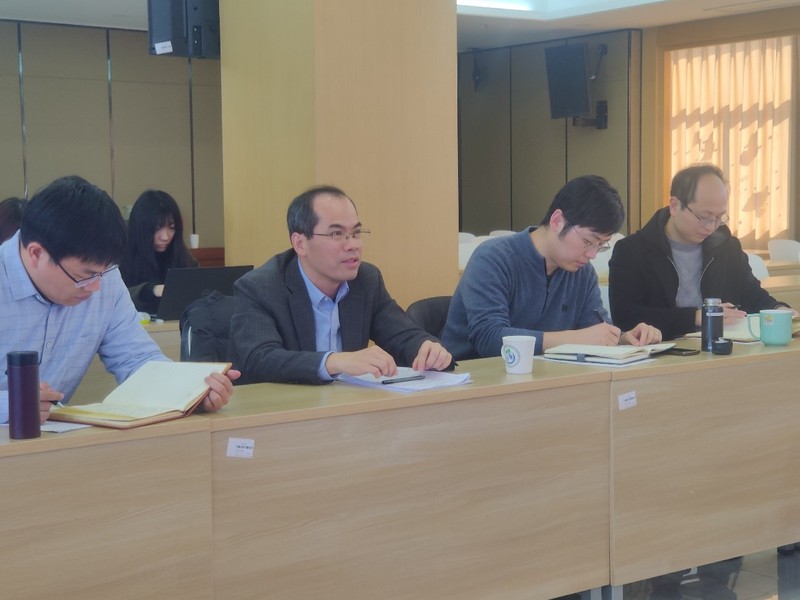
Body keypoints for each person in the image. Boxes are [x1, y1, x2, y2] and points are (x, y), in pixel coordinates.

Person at [0, 175, 238, 424]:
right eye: (85, 276)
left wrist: (191, 391)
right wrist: (10, 405)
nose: (96, 287)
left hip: (54, 437)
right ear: (36, 254)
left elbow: (137, 361)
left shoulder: (105, 279)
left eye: (103, 273)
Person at [229, 185, 453, 385]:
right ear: (300, 243)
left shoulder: (366, 280)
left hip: (346, 407)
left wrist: (426, 348)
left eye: (356, 233)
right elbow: (259, 359)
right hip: (282, 409)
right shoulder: (260, 288)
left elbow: (402, 335)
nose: (353, 245)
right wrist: (335, 362)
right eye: (337, 234)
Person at [441, 175, 661, 359]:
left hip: (545, 379)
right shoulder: (493, 258)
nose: (592, 254)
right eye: (588, 242)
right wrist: (576, 339)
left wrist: (622, 339)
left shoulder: (582, 272)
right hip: (476, 381)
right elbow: (489, 339)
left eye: (601, 246)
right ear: (557, 221)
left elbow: (593, 328)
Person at [609, 164, 793, 340]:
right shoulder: (632, 251)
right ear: (674, 206)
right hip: (660, 352)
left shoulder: (727, 247)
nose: (711, 227)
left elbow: (752, 295)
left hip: (721, 350)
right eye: (703, 217)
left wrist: (779, 309)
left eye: (719, 218)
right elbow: (625, 317)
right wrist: (695, 318)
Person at [119, 190, 197, 315]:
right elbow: (113, 298)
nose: (165, 237)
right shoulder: (120, 254)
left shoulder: (181, 254)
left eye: (172, 227)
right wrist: (150, 290)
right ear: (141, 228)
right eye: (157, 228)